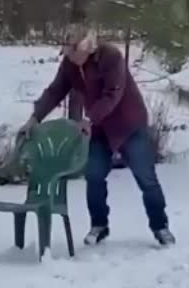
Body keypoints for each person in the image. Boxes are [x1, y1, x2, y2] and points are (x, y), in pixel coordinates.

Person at [20, 23, 176, 247]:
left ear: (86, 47)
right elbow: (55, 91)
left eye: (73, 51)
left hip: (128, 124)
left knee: (146, 178)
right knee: (94, 176)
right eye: (66, 52)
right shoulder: (70, 65)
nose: (70, 57)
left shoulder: (110, 57)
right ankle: (99, 225)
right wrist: (35, 118)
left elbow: (112, 94)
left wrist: (90, 118)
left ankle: (160, 227)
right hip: (98, 127)